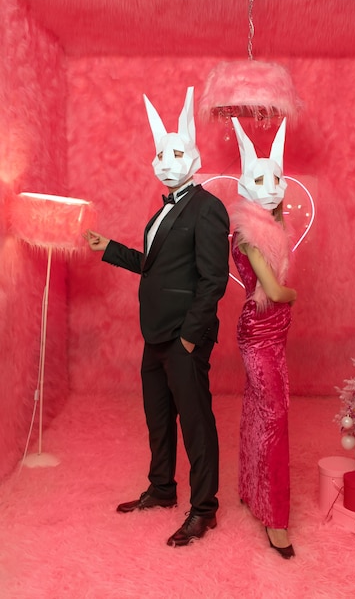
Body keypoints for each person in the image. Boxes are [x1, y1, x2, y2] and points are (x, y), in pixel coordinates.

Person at [84, 87, 229, 547]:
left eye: (176, 153)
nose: (167, 161)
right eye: (161, 154)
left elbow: (213, 280)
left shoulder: (208, 208)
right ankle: (163, 489)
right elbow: (154, 265)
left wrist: (189, 337)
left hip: (183, 337)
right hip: (155, 335)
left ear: (193, 156)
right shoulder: (161, 211)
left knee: (196, 422)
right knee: (158, 416)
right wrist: (107, 248)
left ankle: (204, 509)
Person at [230, 116, 297, 559]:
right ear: (245, 185)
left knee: (259, 410)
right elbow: (274, 291)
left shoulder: (270, 231)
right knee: (275, 418)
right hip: (259, 334)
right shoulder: (250, 235)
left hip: (271, 332)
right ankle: (276, 518)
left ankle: (251, 489)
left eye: (276, 178)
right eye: (260, 179)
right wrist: (294, 294)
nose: (271, 186)